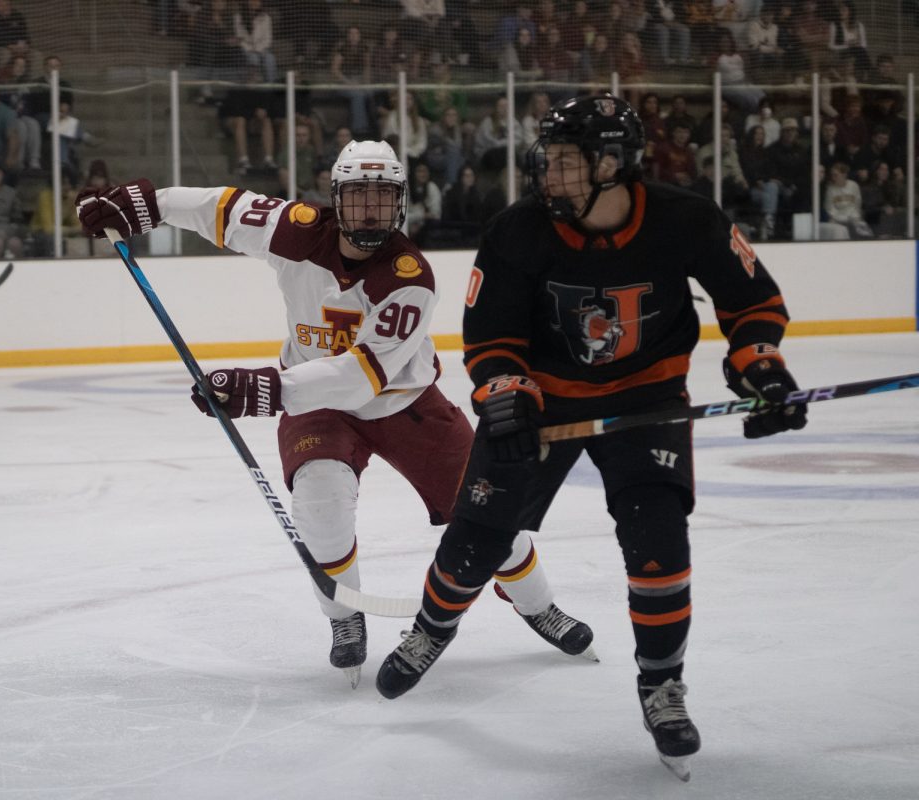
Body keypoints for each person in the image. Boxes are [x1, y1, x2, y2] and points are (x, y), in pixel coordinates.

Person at [372, 94, 808, 781]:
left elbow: (752, 302)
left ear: (614, 164)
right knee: (477, 540)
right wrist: (506, 396)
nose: (551, 174)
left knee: (659, 544)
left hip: (647, 399)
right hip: (543, 403)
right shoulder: (520, 230)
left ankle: (661, 684)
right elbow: (491, 337)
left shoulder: (686, 219)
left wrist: (761, 367)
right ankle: (430, 630)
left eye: (569, 163)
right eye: (551, 160)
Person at [75, 140, 596, 688]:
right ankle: (345, 618)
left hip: (405, 403)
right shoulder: (295, 229)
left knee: (493, 517)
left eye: (382, 197)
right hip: (317, 405)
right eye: (358, 196)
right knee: (319, 507)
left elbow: (363, 374)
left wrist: (266, 389)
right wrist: (145, 203)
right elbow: (220, 207)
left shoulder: (409, 277)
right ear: (336, 199)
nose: (369, 209)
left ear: (399, 203)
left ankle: (538, 605)